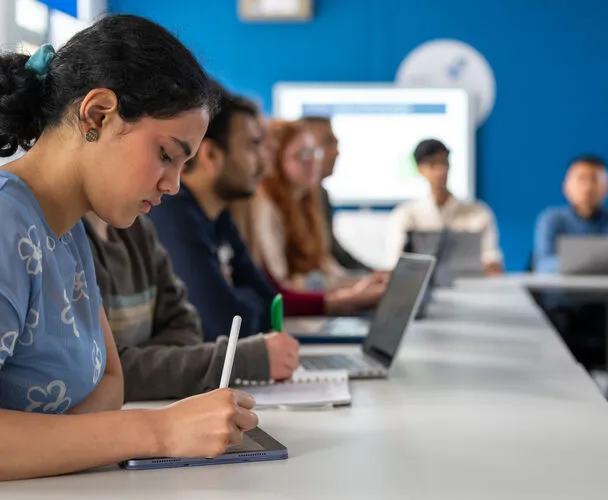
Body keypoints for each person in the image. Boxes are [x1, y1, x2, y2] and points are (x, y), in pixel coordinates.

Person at [0, 15, 257, 481]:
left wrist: (41, 440)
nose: (174, 184)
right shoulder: (5, 222)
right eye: (165, 155)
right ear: (97, 114)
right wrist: (157, 432)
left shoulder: (69, 227)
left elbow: (110, 386)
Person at [148, 88, 379, 340]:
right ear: (212, 155)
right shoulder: (175, 216)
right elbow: (224, 325)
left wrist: (239, 296)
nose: (264, 163)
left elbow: (270, 303)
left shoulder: (218, 216)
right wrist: (244, 298)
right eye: (253, 146)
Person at [84, 212, 300, 401]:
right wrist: (241, 359)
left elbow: (188, 325)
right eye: (165, 161)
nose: (173, 186)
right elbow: (108, 374)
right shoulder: (76, 242)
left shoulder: (139, 229)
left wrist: (142, 363)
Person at [532, 155, 608, 408]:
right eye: (581, 179)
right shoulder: (551, 219)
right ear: (567, 186)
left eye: (595, 180)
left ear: (607, 187)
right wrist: (601, 262)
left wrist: (575, 262)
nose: (587, 186)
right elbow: (544, 264)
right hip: (563, 309)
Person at [243, 119, 388, 297]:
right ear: (275, 161)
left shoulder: (309, 202)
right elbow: (279, 284)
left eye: (315, 153)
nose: (312, 162)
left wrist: (366, 282)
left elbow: (327, 267)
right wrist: (350, 293)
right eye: (302, 155)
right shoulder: (265, 207)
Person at [385, 138, 504, 274]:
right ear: (420, 169)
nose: (440, 171)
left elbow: (492, 262)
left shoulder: (478, 213)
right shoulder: (406, 215)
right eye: (432, 164)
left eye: (443, 162)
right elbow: (394, 265)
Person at [300, 116, 372, 271]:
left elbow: (334, 253)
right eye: (328, 142)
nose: (337, 152)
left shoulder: (321, 194)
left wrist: (374, 274)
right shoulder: (289, 200)